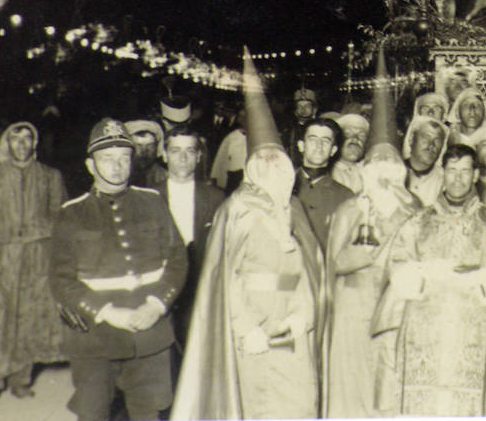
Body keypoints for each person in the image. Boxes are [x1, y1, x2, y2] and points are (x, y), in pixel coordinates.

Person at [172, 51, 325, 421]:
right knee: (256, 405)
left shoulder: (295, 208)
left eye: (279, 161)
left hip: (292, 327)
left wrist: (304, 313)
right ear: (253, 167)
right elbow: (226, 277)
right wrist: (245, 326)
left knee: (301, 404)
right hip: (252, 327)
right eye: (265, 162)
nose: (273, 169)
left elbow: (307, 269)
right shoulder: (235, 210)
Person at [375, 143, 486, 415]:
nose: (458, 178)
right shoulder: (418, 222)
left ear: (476, 174)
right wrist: (422, 274)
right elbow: (396, 264)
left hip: (475, 329)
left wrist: (485, 279)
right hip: (425, 331)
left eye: (465, 171)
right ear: (442, 172)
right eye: (452, 171)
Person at [52, 118, 187, 421]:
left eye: (124, 158)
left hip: (150, 332)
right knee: (94, 413)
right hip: (96, 336)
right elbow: (61, 280)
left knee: (150, 412)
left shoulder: (153, 203)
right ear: (90, 165)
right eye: (107, 159)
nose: (117, 166)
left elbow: (177, 259)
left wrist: (156, 305)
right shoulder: (71, 214)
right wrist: (109, 313)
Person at [326, 52, 420, 418]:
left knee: (391, 389)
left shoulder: (414, 210)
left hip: (398, 312)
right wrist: (368, 235)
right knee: (354, 391)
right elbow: (335, 262)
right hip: (354, 311)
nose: (384, 173)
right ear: (366, 170)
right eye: (377, 165)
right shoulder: (350, 209)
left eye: (391, 165)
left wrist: (402, 211)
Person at [0, 121, 66, 404]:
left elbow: (60, 217)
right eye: (15, 139)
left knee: (29, 316)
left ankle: (21, 378)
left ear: (35, 144)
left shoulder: (50, 177)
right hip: (0, 258)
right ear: (6, 144)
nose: (21, 145)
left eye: (27, 139)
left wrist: (45, 247)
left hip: (37, 257)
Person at [153, 125, 225, 344]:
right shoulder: (148, 196)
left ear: (199, 156)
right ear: (164, 155)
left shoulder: (216, 198)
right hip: (160, 290)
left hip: (200, 292)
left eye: (190, 151)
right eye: (175, 151)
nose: (183, 158)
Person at [293, 116, 354, 246]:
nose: (319, 146)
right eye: (312, 139)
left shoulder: (346, 196)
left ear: (333, 150)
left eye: (325, 141)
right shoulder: (283, 187)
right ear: (301, 146)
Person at [404, 112, 449, 206]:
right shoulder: (394, 171)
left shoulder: (445, 180)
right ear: (412, 138)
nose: (431, 145)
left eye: (437, 140)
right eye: (426, 137)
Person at [332, 110, 369, 193]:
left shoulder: (369, 170)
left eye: (361, 135)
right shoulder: (330, 172)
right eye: (348, 133)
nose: (355, 138)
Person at [125, 119, 169, 187]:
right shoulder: (121, 173)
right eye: (139, 145)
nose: (144, 151)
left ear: (156, 147)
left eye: (149, 145)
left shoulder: (164, 176)